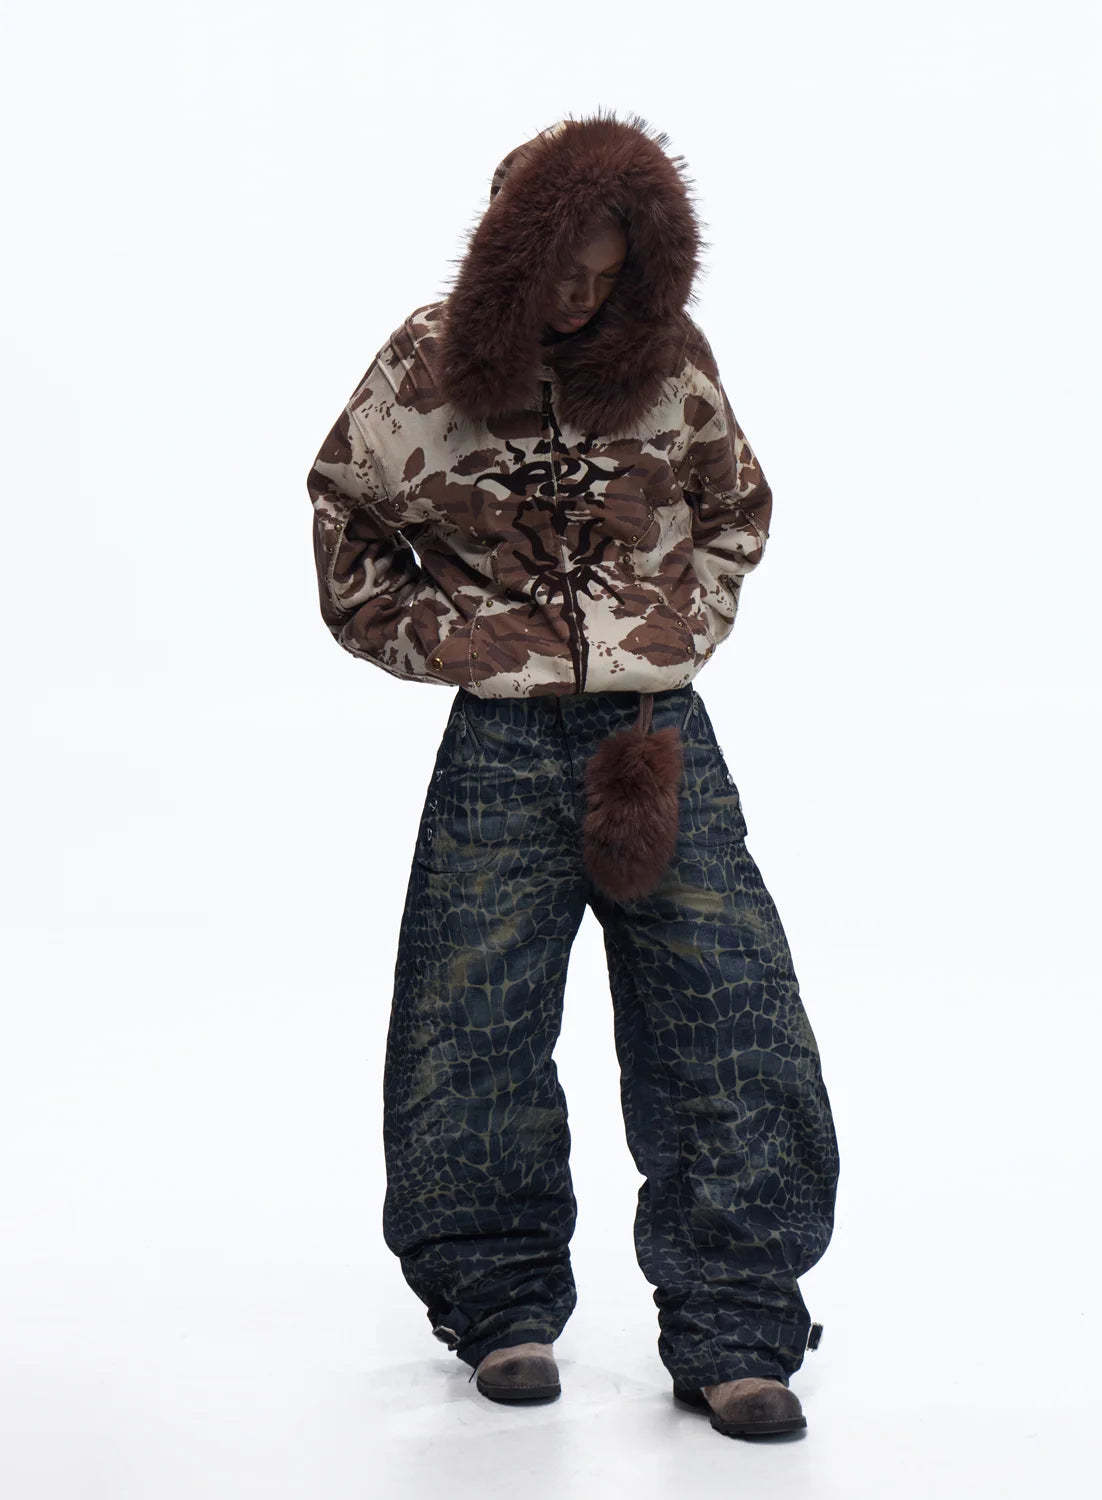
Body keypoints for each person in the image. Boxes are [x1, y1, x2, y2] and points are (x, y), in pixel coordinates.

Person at [305, 110, 840, 1441]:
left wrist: (681, 626)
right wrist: (457, 644)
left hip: (657, 737)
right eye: (558, 269)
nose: (578, 298)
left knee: (730, 1015)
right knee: (469, 1022)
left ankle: (737, 1327)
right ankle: (498, 1308)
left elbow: (735, 508)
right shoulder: (426, 365)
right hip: (502, 745)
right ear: (510, 248)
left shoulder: (671, 362)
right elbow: (347, 519)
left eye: (606, 275)